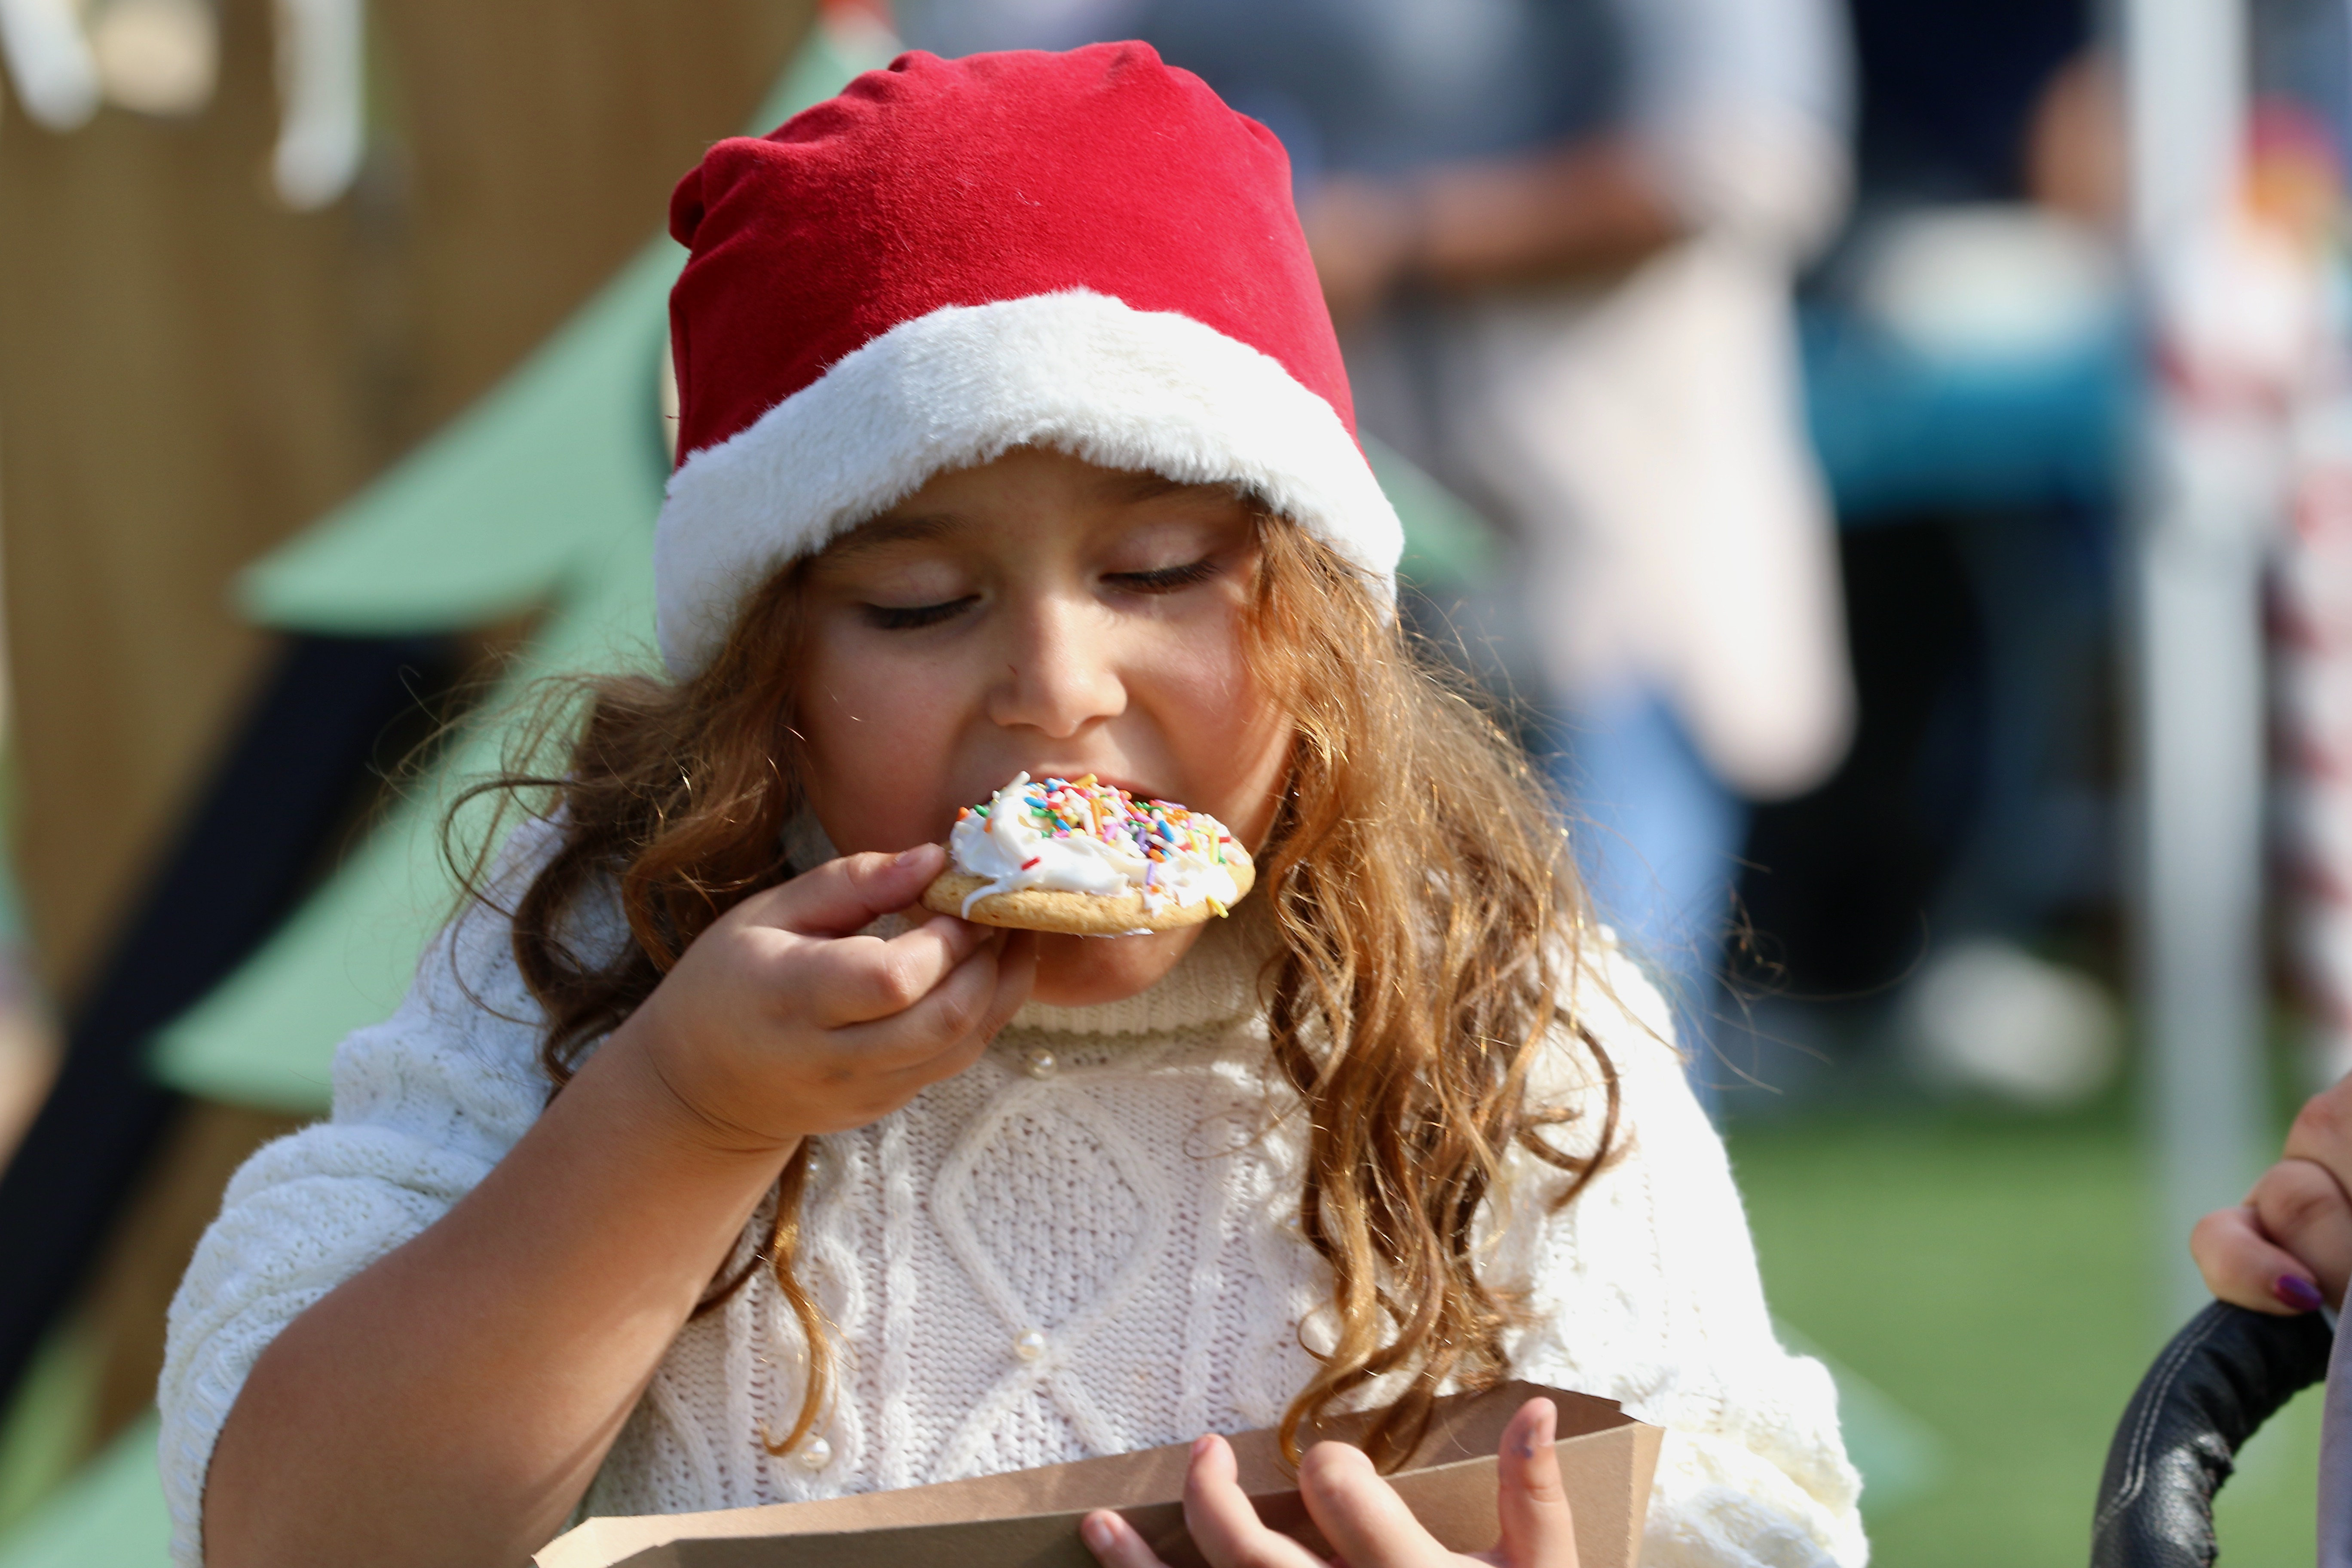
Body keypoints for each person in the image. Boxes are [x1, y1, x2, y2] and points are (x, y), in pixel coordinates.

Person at [159, 46, 1863, 1568]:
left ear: (1327, 621)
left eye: (1158, 570)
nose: (1058, 684)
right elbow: (296, 1532)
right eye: (918, 605)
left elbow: (1756, 1508)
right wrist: (686, 1113)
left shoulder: (1493, 1002)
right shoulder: (607, 952)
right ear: (771, 675)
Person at [894, 0, 1858, 1111]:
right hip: (1323, 521)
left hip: (1602, 510)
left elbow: (1742, 156)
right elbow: (1017, 49)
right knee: (1353, 1051)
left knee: (1599, 1042)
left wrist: (1394, 237)